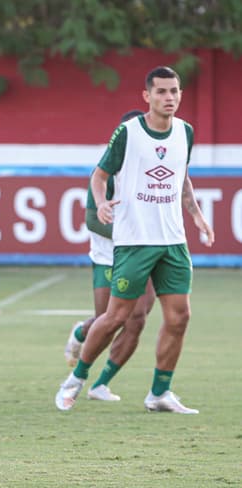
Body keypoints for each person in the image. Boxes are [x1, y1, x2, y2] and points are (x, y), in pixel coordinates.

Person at [55, 66, 214, 414]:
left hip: (173, 241)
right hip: (134, 242)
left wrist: (197, 214)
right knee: (115, 318)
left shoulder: (185, 132)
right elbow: (99, 176)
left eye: (174, 91)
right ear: (147, 96)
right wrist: (101, 204)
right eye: (161, 92)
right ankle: (76, 379)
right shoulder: (128, 132)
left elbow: (181, 177)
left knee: (179, 317)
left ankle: (159, 392)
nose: (169, 98)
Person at [60, 110, 157, 405]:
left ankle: (100, 384)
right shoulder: (105, 171)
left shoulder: (153, 168)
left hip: (142, 252)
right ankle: (80, 333)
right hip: (109, 256)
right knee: (110, 320)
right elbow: (92, 220)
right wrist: (130, 233)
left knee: (138, 319)